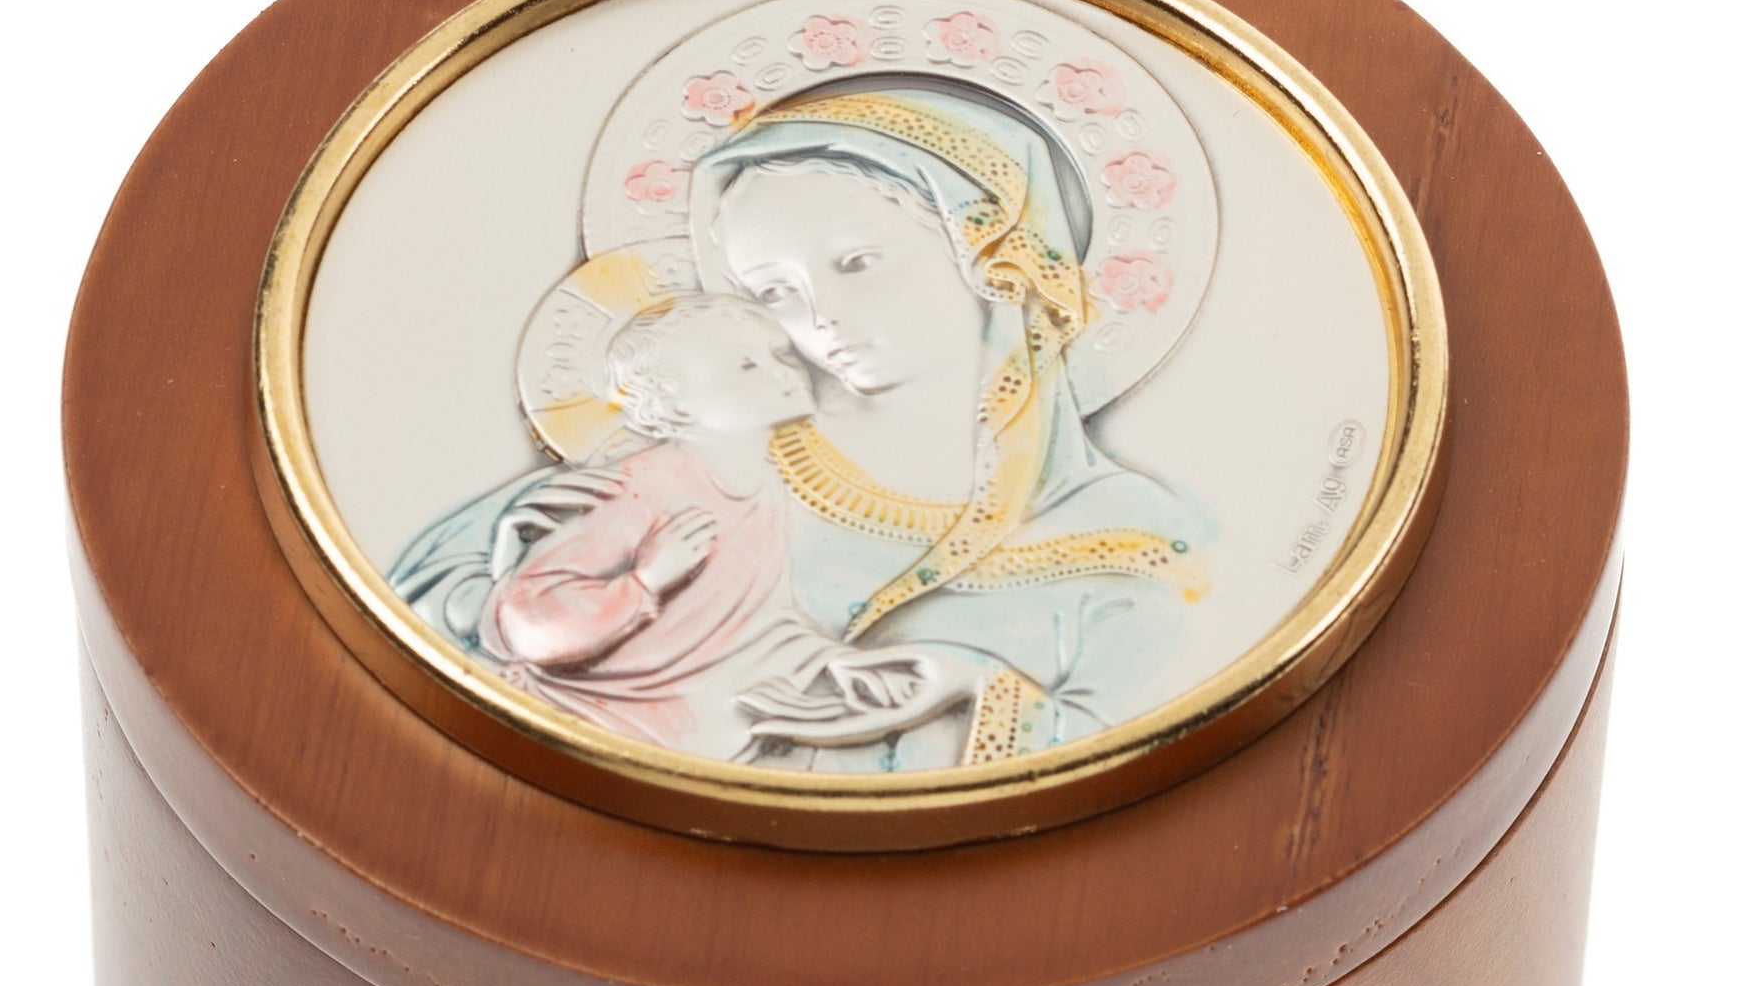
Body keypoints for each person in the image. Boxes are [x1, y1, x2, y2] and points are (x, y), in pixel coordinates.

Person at [688, 83, 1213, 771]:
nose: (820, 315)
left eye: (858, 262)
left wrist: (970, 686)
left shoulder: (1133, 528)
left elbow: (1149, 740)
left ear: (987, 255)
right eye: (773, 291)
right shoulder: (719, 479)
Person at [473, 292, 934, 760]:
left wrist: (832, 661)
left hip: (699, 720)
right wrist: (644, 582)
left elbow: (757, 624)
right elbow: (530, 621)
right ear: (675, 404)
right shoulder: (640, 491)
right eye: (747, 366)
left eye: (779, 354)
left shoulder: (771, 486)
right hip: (595, 720)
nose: (784, 372)